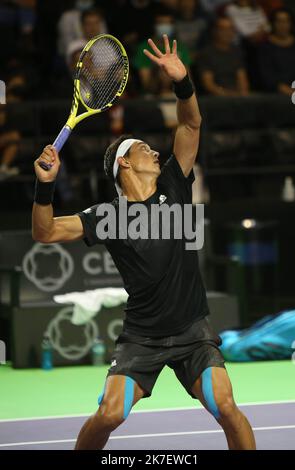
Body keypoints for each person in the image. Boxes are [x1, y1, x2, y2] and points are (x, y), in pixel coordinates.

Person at [32, 34, 256, 451]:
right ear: (123, 162)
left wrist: (183, 82)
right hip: (142, 337)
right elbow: (44, 232)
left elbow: (191, 123)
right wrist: (44, 188)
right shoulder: (108, 216)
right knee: (109, 414)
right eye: (145, 150)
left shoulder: (174, 182)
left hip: (193, 329)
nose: (156, 153)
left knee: (226, 406)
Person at [134, 7, 192, 92]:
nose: (164, 26)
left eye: (168, 23)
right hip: (152, 98)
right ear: (154, 25)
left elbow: (189, 83)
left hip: (177, 96)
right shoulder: (144, 48)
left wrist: (176, 79)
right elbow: (146, 86)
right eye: (161, 23)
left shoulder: (179, 47)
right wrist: (158, 75)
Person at [198, 16, 250, 96]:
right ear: (214, 31)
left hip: (237, 97)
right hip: (215, 99)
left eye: (230, 29)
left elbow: (242, 79)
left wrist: (242, 95)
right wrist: (230, 95)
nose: (227, 32)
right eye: (223, 29)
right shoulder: (206, 53)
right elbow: (208, 85)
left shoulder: (237, 52)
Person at [257, 8, 295, 95]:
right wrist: (285, 90)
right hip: (273, 95)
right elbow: (265, 75)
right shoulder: (264, 47)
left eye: (286, 21)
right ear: (273, 23)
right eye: (279, 21)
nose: (283, 25)